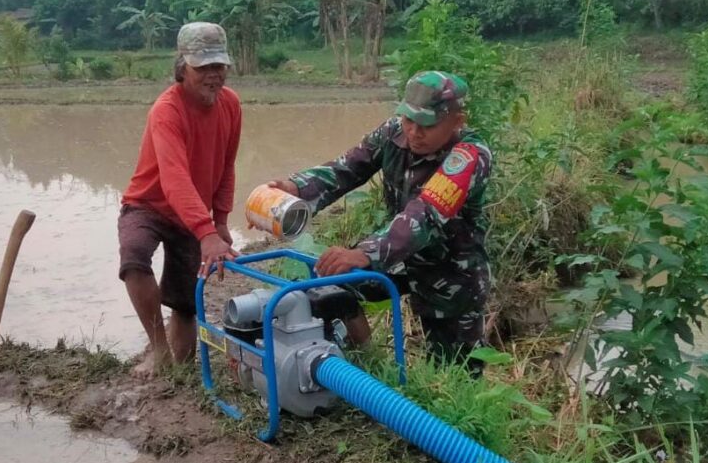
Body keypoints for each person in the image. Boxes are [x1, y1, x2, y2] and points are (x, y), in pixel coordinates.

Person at [271, 71, 492, 375]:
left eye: (427, 124)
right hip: (399, 257)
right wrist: (296, 187)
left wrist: (365, 252)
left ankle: (437, 413)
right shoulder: (393, 132)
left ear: (457, 120)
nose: (414, 132)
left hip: (451, 274)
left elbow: (424, 213)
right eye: (408, 120)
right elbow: (345, 169)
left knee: (456, 372)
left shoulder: (469, 156)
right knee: (334, 287)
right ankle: (371, 372)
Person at [118, 22, 242, 378]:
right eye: (203, 67)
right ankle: (158, 350)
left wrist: (219, 222)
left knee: (186, 301)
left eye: (218, 66)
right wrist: (206, 232)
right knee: (135, 256)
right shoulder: (166, 110)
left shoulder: (231, 106)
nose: (213, 75)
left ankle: (182, 369)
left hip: (191, 213)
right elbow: (174, 179)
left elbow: (226, 165)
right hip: (148, 205)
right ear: (183, 66)